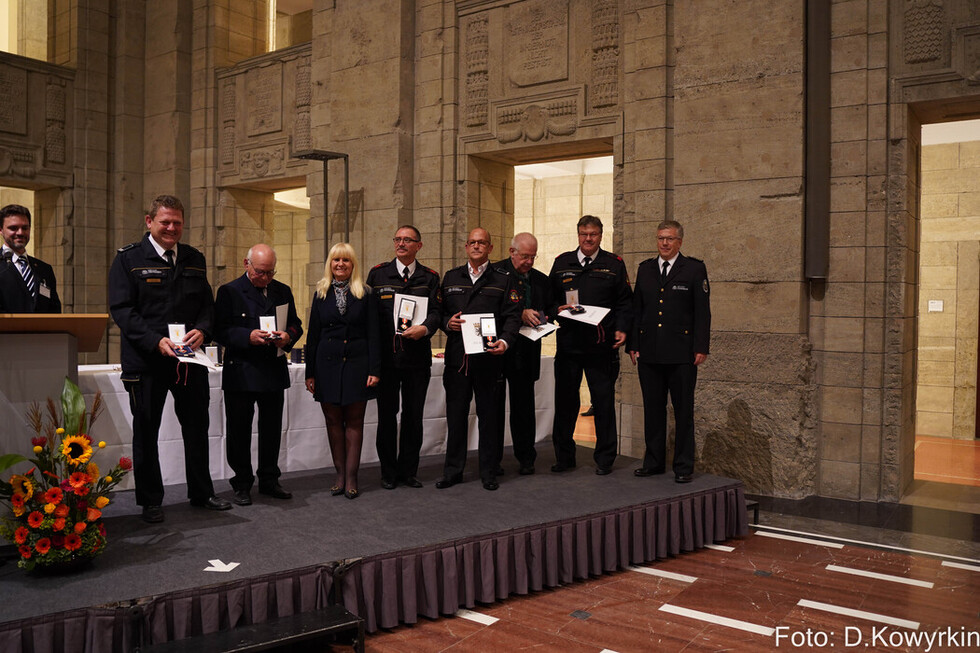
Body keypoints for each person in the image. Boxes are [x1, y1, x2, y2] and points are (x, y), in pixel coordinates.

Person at [108, 195, 231, 523]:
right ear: (149, 222)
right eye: (165, 222)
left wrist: (203, 331)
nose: (172, 228)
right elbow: (122, 310)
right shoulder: (128, 260)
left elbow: (207, 305)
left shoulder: (194, 258)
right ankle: (150, 500)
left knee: (197, 426)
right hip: (146, 361)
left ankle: (202, 492)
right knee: (146, 430)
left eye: (177, 222)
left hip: (189, 360)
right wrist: (154, 341)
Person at [214, 244, 303, 506]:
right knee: (239, 431)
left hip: (272, 370)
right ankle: (242, 483)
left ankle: (269, 479)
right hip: (241, 371)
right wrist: (246, 336)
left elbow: (295, 324)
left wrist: (288, 337)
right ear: (247, 264)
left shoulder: (282, 290)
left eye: (270, 272)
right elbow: (219, 331)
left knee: (271, 429)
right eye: (260, 272)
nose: (265, 278)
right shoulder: (229, 292)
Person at [437, 227, 521, 491]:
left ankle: (489, 471)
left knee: (489, 418)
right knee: (456, 416)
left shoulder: (504, 278)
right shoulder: (451, 277)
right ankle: (453, 471)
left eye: (481, 242)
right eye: (472, 242)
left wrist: (505, 341)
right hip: (458, 361)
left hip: (489, 359)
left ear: (490, 248)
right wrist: (445, 322)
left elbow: (513, 315)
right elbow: (436, 311)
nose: (476, 246)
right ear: (466, 247)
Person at [548, 215, 632, 475]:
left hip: (600, 345)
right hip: (569, 345)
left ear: (600, 236)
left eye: (593, 234)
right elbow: (548, 299)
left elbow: (624, 302)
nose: (588, 239)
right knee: (565, 403)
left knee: (603, 403)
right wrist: (554, 309)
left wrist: (621, 328)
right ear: (578, 235)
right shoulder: (562, 263)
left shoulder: (614, 264)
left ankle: (605, 458)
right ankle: (564, 457)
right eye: (584, 234)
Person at [629, 220, 710, 483]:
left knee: (683, 410)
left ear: (680, 242)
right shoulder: (646, 269)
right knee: (653, 409)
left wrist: (701, 347)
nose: (664, 243)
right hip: (650, 352)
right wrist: (633, 344)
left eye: (670, 239)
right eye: (661, 238)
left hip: (682, 354)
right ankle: (653, 462)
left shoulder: (694, 269)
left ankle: (683, 466)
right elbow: (637, 310)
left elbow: (702, 312)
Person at [366, 226, 440, 490]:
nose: (401, 244)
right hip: (387, 360)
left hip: (417, 359)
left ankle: (408, 471)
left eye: (407, 240)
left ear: (418, 245)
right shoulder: (378, 274)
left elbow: (437, 312)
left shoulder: (429, 277)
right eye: (397, 239)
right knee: (386, 417)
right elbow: (370, 318)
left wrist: (426, 328)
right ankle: (388, 472)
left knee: (413, 417)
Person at [304, 243, 380, 500]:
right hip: (327, 365)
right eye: (336, 260)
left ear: (353, 264)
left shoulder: (366, 293)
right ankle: (339, 473)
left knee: (355, 422)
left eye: (346, 260)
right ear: (330, 264)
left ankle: (352, 476)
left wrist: (374, 369)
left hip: (358, 365)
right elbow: (313, 335)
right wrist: (310, 373)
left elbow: (374, 335)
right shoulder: (320, 293)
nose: (340, 265)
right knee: (333, 421)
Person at [495, 232, 552, 475]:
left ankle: (526, 458)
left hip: (527, 350)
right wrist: (520, 313)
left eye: (533, 256)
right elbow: (489, 308)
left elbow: (549, 307)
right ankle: (492, 460)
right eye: (525, 256)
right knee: (494, 409)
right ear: (512, 252)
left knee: (524, 408)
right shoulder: (495, 274)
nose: (529, 261)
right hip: (498, 350)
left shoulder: (541, 279)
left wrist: (546, 317)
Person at [0, 204, 61, 313]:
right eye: (13, 228)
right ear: (1, 230)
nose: (20, 233)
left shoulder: (44, 269)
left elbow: (54, 311)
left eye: (25, 228)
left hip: (41, 329)